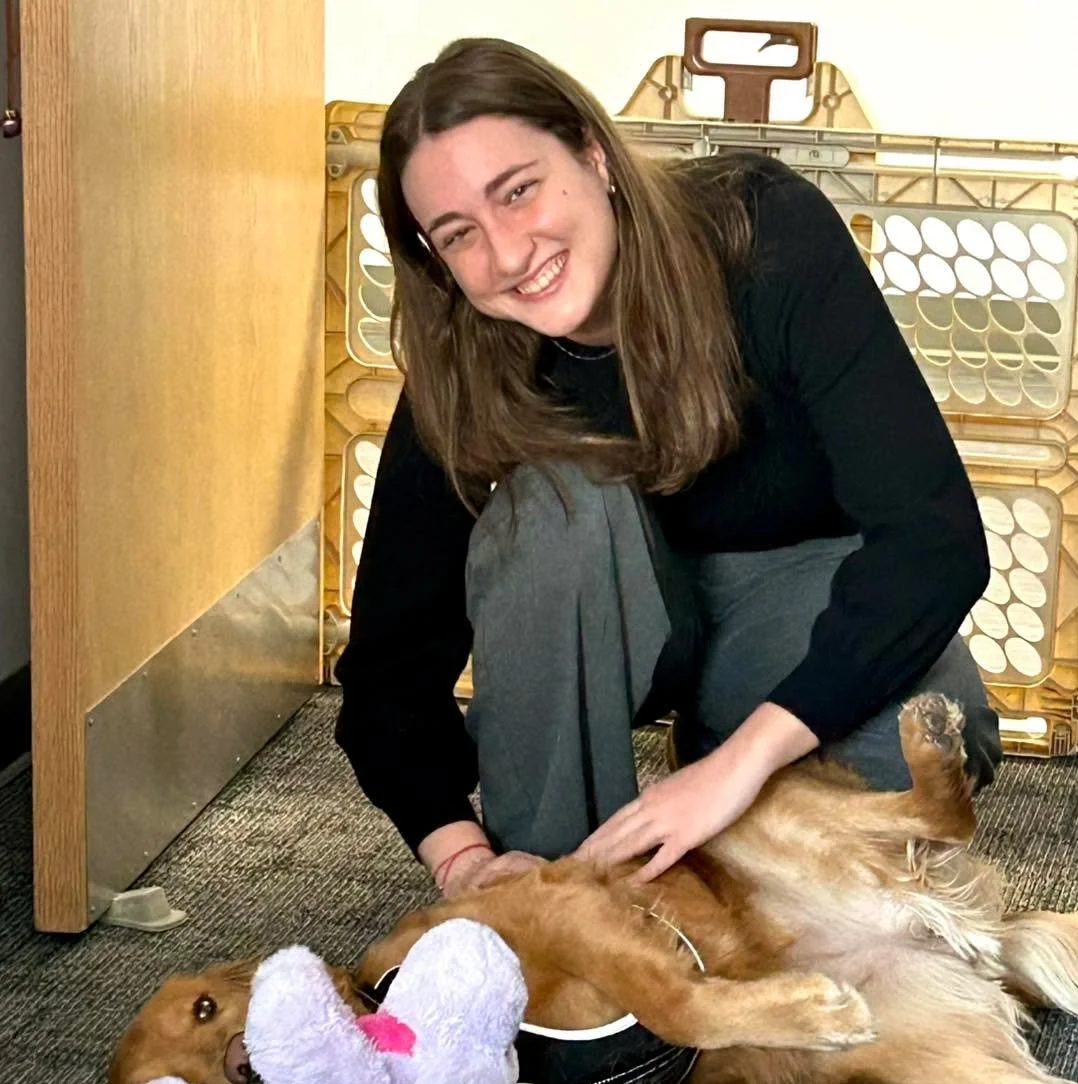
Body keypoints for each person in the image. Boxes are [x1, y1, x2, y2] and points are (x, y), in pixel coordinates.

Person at [334, 36, 1001, 899]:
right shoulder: (463, 352)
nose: (505, 256)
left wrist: (740, 765)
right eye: (459, 234)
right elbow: (386, 675)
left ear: (592, 152)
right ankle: (561, 914)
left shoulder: (761, 230)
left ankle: (718, 765)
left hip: (792, 598)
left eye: (520, 190)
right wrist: (465, 858)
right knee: (551, 509)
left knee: (925, 745)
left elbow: (935, 540)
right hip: (601, 617)